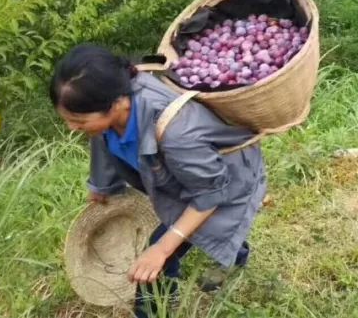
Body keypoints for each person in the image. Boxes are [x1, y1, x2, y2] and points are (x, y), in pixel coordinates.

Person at [50, 45, 266, 317]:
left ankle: (153, 310)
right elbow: (102, 140)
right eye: (68, 120)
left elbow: (211, 193)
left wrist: (161, 250)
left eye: (78, 120)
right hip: (186, 178)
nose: (72, 128)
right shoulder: (113, 108)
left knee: (159, 252)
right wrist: (102, 186)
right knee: (198, 230)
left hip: (225, 181)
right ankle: (235, 252)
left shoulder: (176, 132)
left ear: (116, 104)